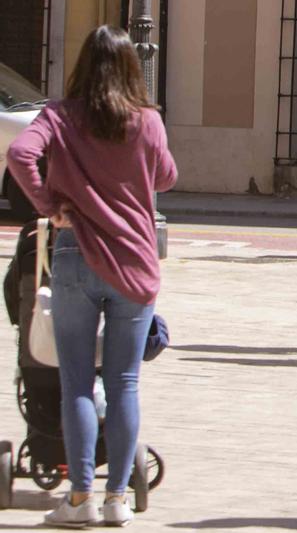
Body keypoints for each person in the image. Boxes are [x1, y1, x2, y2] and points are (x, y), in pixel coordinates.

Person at [5, 27, 177, 530]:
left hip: (75, 252)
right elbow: (166, 176)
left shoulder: (59, 115)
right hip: (133, 260)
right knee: (124, 383)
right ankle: (117, 498)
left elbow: (19, 156)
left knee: (76, 382)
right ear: (130, 68)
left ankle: (79, 497)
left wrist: (50, 204)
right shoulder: (147, 120)